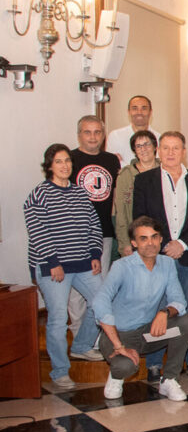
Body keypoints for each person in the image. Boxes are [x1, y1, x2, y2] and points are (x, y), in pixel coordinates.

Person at [132, 131, 188, 380]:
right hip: (158, 257)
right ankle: (154, 364)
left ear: (184, 151)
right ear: (158, 151)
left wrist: (183, 244)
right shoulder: (144, 180)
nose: (170, 153)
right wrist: (165, 245)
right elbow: (140, 218)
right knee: (157, 310)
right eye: (165, 147)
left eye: (175, 148)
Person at [24, 143, 105, 388]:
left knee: (102, 302)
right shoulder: (39, 194)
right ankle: (59, 371)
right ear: (49, 166)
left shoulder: (80, 193)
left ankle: (81, 346)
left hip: (82, 262)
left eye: (67, 160)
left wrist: (95, 253)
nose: (64, 165)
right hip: (53, 266)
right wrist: (52, 262)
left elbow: (94, 225)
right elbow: (37, 232)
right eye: (58, 161)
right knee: (58, 318)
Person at [93, 216, 188, 402]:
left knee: (186, 322)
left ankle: (169, 380)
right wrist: (119, 345)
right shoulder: (121, 266)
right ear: (134, 243)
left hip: (148, 334)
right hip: (118, 336)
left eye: (154, 237)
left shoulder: (167, 264)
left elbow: (179, 300)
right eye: (143, 238)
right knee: (125, 366)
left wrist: (164, 312)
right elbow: (100, 302)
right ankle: (116, 377)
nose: (150, 243)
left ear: (161, 239)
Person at [69, 115, 120, 337]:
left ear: (103, 135)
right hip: (75, 235)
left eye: (97, 132)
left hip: (103, 233)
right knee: (76, 291)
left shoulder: (112, 160)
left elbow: (115, 196)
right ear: (79, 135)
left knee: (100, 287)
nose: (93, 137)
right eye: (87, 132)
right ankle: (78, 336)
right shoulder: (69, 159)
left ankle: (96, 337)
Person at [114, 130, 159, 257]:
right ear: (134, 150)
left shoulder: (165, 170)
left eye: (147, 144)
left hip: (161, 238)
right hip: (136, 239)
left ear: (155, 147)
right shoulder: (126, 175)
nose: (143, 149)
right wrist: (125, 243)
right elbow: (121, 212)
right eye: (138, 146)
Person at [106, 95, 161, 168]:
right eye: (135, 108)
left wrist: (123, 164)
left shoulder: (159, 138)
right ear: (129, 112)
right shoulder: (115, 136)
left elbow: (159, 166)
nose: (139, 112)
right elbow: (113, 164)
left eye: (144, 108)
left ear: (150, 112)